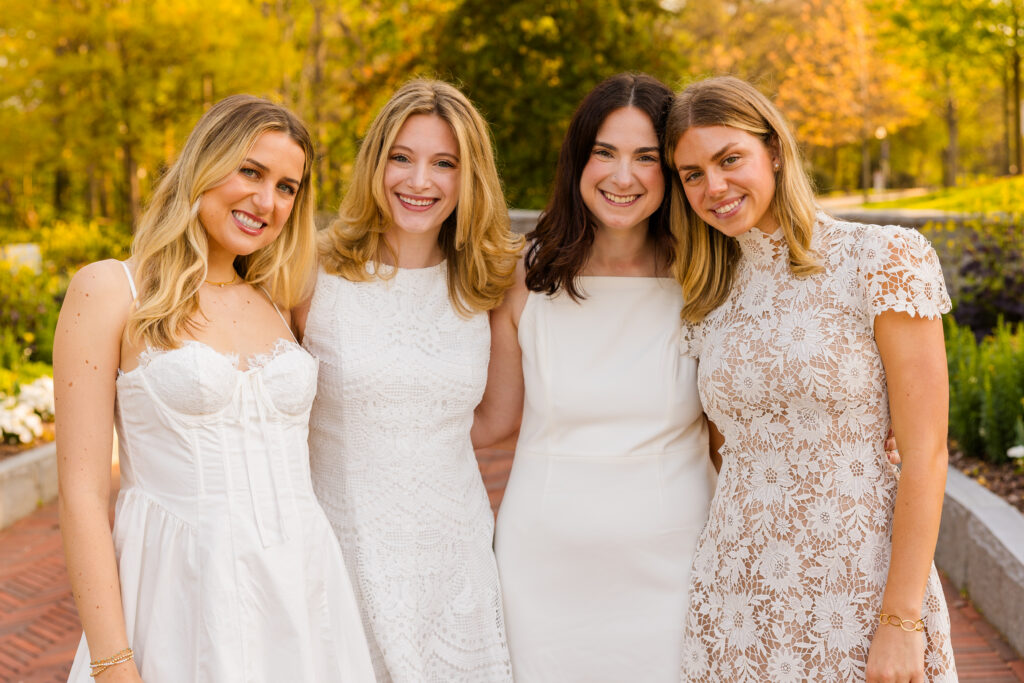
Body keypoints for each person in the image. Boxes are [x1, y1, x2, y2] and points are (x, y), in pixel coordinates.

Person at [56, 95, 375, 682]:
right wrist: (113, 662)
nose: (266, 201)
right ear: (204, 164)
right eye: (250, 171)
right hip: (181, 595)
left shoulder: (281, 300)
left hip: (304, 592)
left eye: (287, 187)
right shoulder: (111, 289)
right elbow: (80, 495)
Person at [666, 75, 956, 682]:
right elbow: (725, 452)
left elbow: (926, 453)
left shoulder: (879, 258)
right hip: (736, 595)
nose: (713, 186)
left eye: (729, 159)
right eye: (692, 174)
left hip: (859, 586)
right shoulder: (706, 297)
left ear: (773, 149)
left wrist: (901, 620)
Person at [473, 73, 719, 682]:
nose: (622, 176)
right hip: (544, 562)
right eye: (604, 153)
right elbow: (494, 421)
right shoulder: (520, 274)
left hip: (677, 556)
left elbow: (735, 430)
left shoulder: (708, 279)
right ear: (577, 161)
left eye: (646, 158)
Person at [294, 79, 521, 682]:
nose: (419, 182)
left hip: (452, 553)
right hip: (343, 547)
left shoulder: (488, 283)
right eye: (402, 157)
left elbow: (497, 419)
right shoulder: (311, 270)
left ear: (468, 176)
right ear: (376, 163)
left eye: (443, 163)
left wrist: (415, 448)